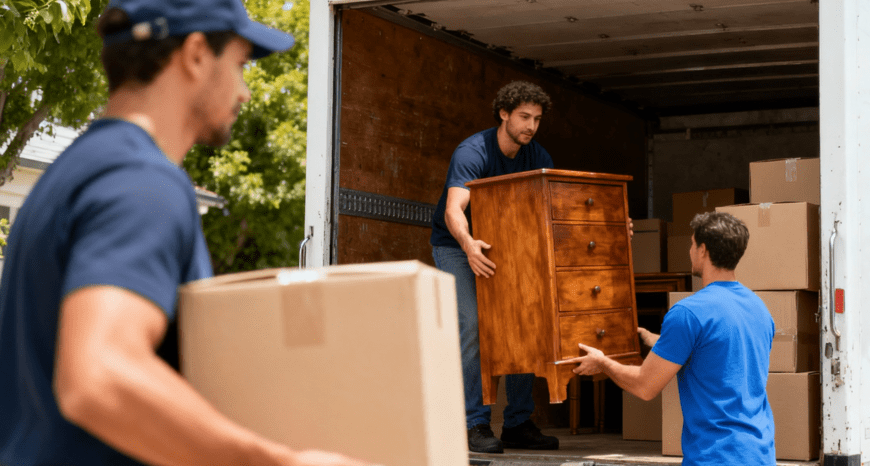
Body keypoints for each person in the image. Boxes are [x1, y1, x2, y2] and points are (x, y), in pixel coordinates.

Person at [0, 1, 372, 465]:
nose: (245, 93)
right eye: (239, 66)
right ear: (196, 54)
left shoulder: (69, 176)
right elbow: (98, 374)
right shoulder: (142, 182)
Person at [571, 212, 776, 465]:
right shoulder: (759, 308)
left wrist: (602, 362)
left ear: (703, 250)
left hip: (715, 457)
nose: (690, 250)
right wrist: (652, 338)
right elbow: (715, 353)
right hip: (760, 455)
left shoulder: (688, 313)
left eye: (692, 244)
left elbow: (645, 386)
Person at [430, 81, 561, 453]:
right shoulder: (473, 151)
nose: (530, 126)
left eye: (536, 119)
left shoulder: (539, 156)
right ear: (504, 114)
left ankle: (518, 423)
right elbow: (454, 209)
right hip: (457, 247)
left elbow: (551, 212)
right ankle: (474, 424)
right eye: (523, 117)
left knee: (522, 323)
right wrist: (470, 245)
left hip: (509, 249)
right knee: (475, 325)